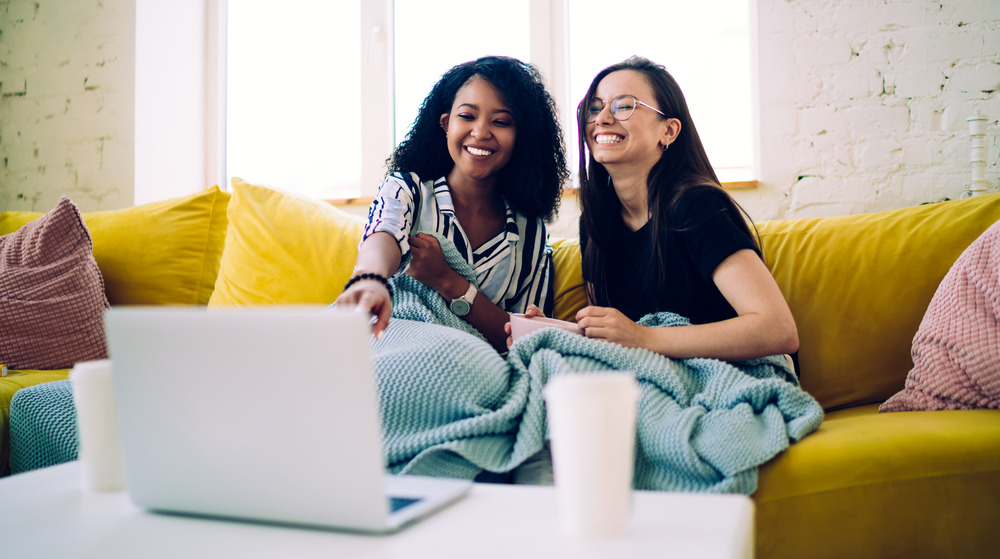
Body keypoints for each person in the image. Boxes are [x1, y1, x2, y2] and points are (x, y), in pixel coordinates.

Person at [513, 56, 798, 362]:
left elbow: (778, 330)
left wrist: (643, 337)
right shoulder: (595, 223)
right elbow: (619, 338)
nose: (602, 118)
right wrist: (555, 333)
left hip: (735, 372)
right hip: (656, 374)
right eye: (595, 107)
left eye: (623, 105)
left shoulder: (697, 206)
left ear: (669, 131)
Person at [336, 56, 568, 352]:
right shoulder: (408, 189)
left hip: (470, 366)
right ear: (446, 123)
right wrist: (369, 279)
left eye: (501, 122)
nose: (481, 132)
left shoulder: (532, 233)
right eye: (467, 116)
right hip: (392, 347)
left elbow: (524, 340)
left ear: (520, 137)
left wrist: (448, 281)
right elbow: (384, 234)